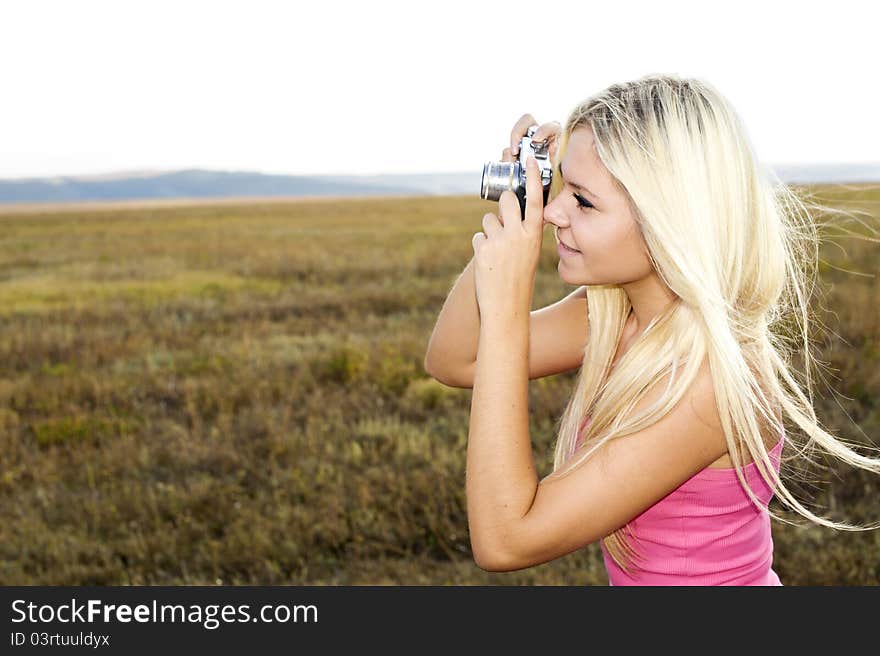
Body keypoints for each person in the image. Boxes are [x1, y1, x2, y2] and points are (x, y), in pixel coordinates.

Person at [423, 73, 880, 585]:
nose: (553, 214)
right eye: (559, 188)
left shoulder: (713, 383)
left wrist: (507, 311)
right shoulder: (611, 315)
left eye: (584, 201)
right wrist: (519, 202)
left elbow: (507, 539)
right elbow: (453, 359)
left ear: (669, 220)